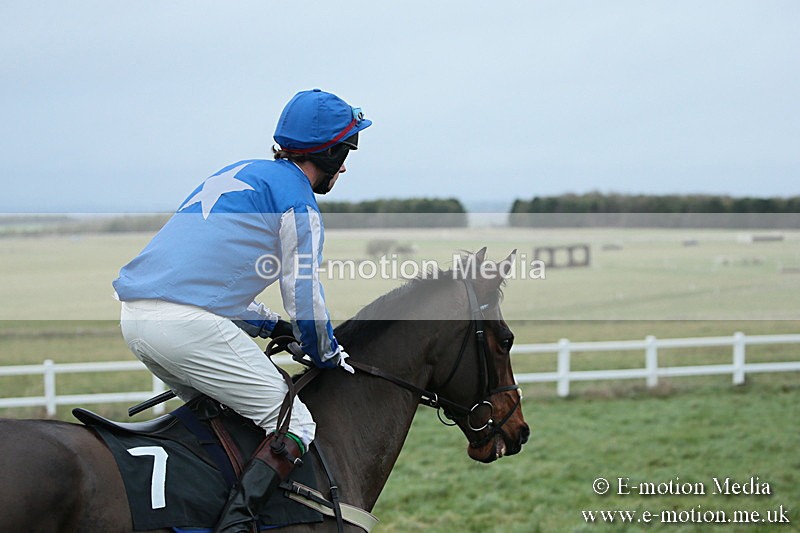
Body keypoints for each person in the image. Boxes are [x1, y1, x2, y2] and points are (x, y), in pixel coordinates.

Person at [112, 88, 371, 533]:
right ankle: (237, 523)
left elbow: (209, 279)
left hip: (136, 319)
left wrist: (271, 325)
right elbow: (304, 294)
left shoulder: (238, 174)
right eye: (346, 150)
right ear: (328, 153)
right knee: (295, 423)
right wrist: (324, 351)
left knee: (224, 422)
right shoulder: (298, 201)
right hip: (186, 327)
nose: (346, 164)